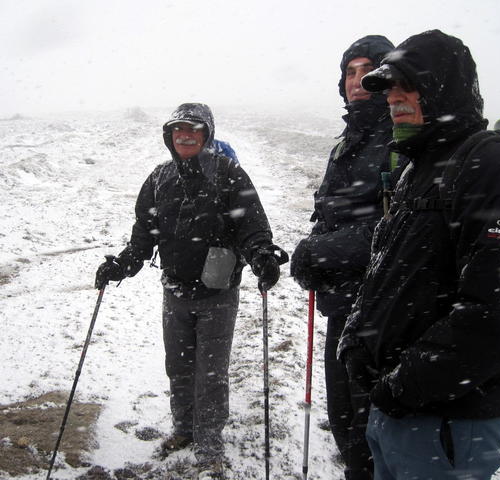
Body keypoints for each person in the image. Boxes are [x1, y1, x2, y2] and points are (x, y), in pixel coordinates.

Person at [338, 30, 500, 480]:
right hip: (399, 408)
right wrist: (360, 341)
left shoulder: (494, 164)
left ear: (442, 87)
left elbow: (499, 312)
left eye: (404, 85)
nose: (393, 97)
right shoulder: (420, 166)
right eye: (388, 87)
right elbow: (387, 270)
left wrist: (404, 384)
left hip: (450, 419)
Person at [95, 102, 286, 478]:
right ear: (169, 136)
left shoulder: (230, 173)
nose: (185, 135)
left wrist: (262, 253)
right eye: (178, 129)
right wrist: (121, 264)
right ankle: (184, 429)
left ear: (206, 134)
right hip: (175, 291)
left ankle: (210, 444)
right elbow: (142, 238)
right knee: (179, 366)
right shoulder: (159, 178)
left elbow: (251, 226)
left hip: (218, 292)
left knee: (211, 372)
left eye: (193, 129)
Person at [291, 35, 394, 480]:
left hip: (385, 311)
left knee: (376, 434)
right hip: (343, 303)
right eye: (349, 72)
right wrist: (319, 244)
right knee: (346, 423)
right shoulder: (350, 138)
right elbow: (334, 211)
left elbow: (400, 225)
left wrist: (322, 250)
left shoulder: (399, 136)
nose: (356, 81)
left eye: (366, 69)